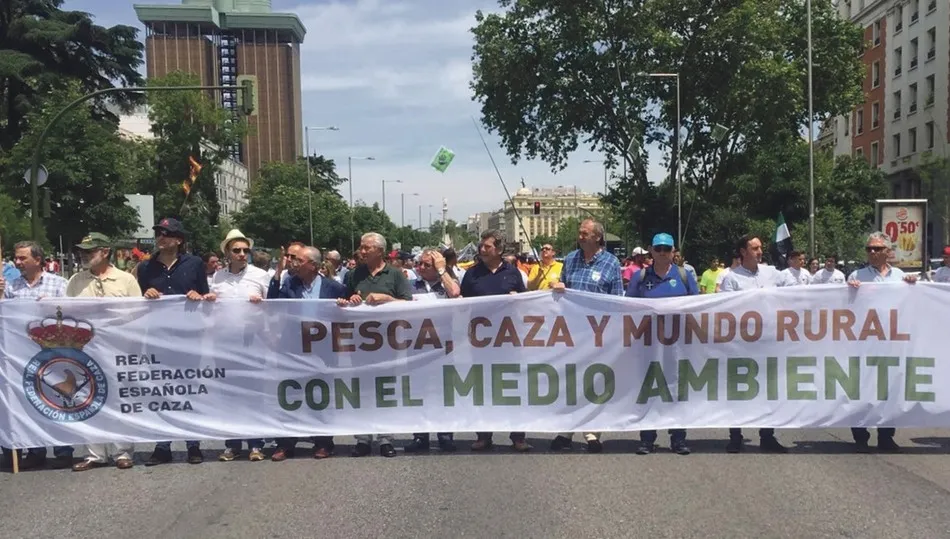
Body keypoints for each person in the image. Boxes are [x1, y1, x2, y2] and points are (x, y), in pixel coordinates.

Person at [137, 217, 211, 466]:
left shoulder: (195, 264)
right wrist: (145, 294)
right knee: (162, 391)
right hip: (158, 338)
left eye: (166, 233)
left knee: (189, 390)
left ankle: (193, 444)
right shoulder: (146, 267)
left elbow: (206, 295)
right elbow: (138, 301)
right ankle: (162, 445)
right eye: (158, 232)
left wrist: (198, 295)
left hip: (189, 337)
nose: (161, 237)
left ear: (179, 240)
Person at [67, 233, 142, 471]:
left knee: (121, 398)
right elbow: (68, 312)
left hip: (118, 348)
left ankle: (123, 451)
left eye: (90, 251)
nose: (84, 255)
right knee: (87, 397)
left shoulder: (125, 280)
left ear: (105, 251)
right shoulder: (76, 280)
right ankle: (95, 453)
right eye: (82, 251)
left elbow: (139, 313)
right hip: (87, 350)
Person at [549, 219, 623, 453]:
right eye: (579, 233)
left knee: (595, 382)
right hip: (572, 332)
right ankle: (566, 431)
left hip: (598, 333)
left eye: (585, 233)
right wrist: (557, 287)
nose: (580, 236)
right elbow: (563, 292)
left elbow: (617, 300)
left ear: (597, 237)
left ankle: (592, 432)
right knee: (571, 381)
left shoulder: (611, 263)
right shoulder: (570, 259)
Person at [338, 233, 413, 458]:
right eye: (361, 247)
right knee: (362, 390)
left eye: (366, 248)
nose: (361, 251)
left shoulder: (395, 275)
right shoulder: (353, 274)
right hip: (360, 343)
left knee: (385, 390)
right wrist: (348, 301)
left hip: (388, 343)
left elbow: (409, 304)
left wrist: (387, 299)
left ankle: (385, 438)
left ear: (380, 251)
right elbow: (344, 301)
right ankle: (363, 438)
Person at [270, 246, 348, 461]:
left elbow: (348, 315)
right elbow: (272, 303)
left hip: (322, 350)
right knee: (290, 396)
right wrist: (277, 273)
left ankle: (323, 442)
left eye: (299, 261)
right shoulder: (289, 284)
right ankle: (286, 444)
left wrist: (344, 305)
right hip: (293, 349)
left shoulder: (334, 288)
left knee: (320, 396)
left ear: (313, 265)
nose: (294, 264)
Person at [624, 233, 698, 455]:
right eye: (659, 249)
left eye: (667, 249)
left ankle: (678, 438)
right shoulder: (640, 277)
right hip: (648, 344)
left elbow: (697, 306)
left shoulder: (684, 275)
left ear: (674, 251)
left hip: (677, 344)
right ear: (651, 250)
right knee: (649, 390)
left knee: (677, 389)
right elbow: (628, 308)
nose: (663, 253)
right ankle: (647, 438)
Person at [0, 241, 72, 470]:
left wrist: (54, 306)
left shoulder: (59, 284)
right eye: (16, 258)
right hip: (21, 353)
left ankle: (63, 449)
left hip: (52, 351)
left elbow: (72, 312)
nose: (17, 262)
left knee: (57, 398)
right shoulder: (11, 286)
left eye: (22, 258)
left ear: (38, 259)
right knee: (29, 400)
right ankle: (35, 450)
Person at [846, 231, 917, 453]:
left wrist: (913, 286)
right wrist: (850, 290)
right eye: (869, 249)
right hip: (864, 342)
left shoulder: (900, 276)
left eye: (877, 249)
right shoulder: (857, 275)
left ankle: (886, 436)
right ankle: (860, 436)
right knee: (862, 389)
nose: (872, 252)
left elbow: (913, 304)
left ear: (888, 251)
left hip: (891, 343)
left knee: (890, 390)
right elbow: (844, 306)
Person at [461, 229, 530, 452]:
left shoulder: (513, 273)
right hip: (480, 341)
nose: (482, 249)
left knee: (513, 387)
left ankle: (518, 436)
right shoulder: (471, 274)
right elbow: (461, 303)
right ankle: (483, 435)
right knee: (483, 387)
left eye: (487, 246)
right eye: (481, 246)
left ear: (499, 249)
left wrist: (517, 299)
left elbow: (525, 303)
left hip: (508, 340)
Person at [205, 229, 271, 462]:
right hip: (224, 344)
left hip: (253, 342)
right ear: (227, 253)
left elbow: (276, 308)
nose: (242, 254)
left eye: (245, 250)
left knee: (254, 393)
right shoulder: (217, 278)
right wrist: (210, 300)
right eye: (237, 250)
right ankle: (232, 443)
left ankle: (256, 443)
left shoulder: (260, 275)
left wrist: (261, 304)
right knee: (228, 395)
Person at [719, 234, 787, 454]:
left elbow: (801, 290)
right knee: (738, 391)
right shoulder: (731, 278)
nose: (760, 252)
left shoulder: (772, 273)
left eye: (760, 248)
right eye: (755, 248)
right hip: (741, 344)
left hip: (768, 342)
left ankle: (767, 436)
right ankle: (735, 436)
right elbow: (725, 310)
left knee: (769, 390)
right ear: (743, 251)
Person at [404, 249, 461, 453]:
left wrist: (442, 270)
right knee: (418, 392)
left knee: (443, 393)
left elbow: (455, 293)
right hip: (416, 347)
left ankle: (445, 436)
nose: (420, 268)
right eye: (419, 264)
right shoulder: (410, 286)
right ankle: (420, 436)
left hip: (443, 348)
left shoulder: (447, 283)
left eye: (426, 265)